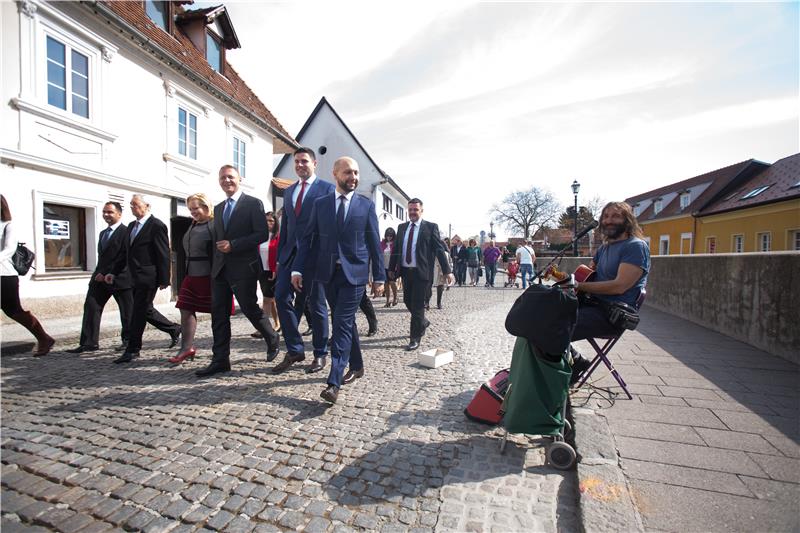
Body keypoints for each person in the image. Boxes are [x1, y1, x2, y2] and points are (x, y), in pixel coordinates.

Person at [292, 157, 385, 404]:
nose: (353, 177)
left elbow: (374, 243)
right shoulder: (320, 204)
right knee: (346, 323)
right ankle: (357, 365)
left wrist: (379, 276)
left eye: (356, 173)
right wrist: (297, 269)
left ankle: (333, 383)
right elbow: (307, 239)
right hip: (327, 274)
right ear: (335, 174)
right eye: (348, 173)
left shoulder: (365, 205)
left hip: (355, 275)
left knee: (342, 323)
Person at [195, 165, 280, 378]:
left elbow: (261, 234)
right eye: (223, 177)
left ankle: (271, 336)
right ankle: (220, 360)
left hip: (244, 268)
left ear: (239, 179)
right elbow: (216, 240)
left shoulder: (253, 204)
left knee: (250, 308)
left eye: (230, 177)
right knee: (219, 316)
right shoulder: (219, 208)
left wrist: (234, 244)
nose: (227, 181)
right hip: (220, 270)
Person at [569, 202, 650, 380]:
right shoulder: (603, 249)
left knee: (551, 328)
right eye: (605, 216)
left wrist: (577, 285)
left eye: (615, 216)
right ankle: (575, 361)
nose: (609, 220)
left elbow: (619, 285)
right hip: (592, 306)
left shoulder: (635, 247)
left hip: (611, 314)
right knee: (542, 317)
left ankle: (568, 370)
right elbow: (589, 275)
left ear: (627, 220)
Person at [273, 148, 335, 375]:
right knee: (281, 297)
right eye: (296, 162)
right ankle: (295, 349)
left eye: (304, 161)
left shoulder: (327, 189)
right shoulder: (289, 192)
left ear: (314, 163)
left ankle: (320, 354)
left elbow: (330, 227)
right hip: (290, 256)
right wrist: (280, 259)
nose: (300, 165)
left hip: (315, 256)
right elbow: (286, 227)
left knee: (316, 305)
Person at [108, 195, 181, 363]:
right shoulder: (132, 227)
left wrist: (165, 279)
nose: (133, 207)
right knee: (145, 310)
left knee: (137, 312)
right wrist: (114, 271)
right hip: (132, 276)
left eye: (136, 204)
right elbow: (124, 253)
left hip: (149, 277)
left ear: (147, 206)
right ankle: (174, 328)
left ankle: (133, 349)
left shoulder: (156, 225)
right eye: (131, 205)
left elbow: (163, 253)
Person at [66, 201, 134, 354]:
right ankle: (88, 343)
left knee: (127, 312)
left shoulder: (126, 232)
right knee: (91, 306)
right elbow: (103, 257)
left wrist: (109, 273)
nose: (106, 215)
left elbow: (123, 256)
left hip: (120, 278)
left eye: (110, 212)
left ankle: (128, 341)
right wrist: (99, 274)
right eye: (104, 212)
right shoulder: (103, 233)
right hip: (99, 278)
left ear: (119, 214)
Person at [389, 198, 453, 351]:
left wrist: (447, 271)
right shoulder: (402, 227)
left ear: (421, 211)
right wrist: (392, 268)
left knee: (417, 306)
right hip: (405, 271)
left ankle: (414, 338)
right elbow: (397, 248)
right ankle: (422, 322)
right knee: (407, 301)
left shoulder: (430, 227)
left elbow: (439, 250)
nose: (412, 212)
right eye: (410, 210)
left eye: (415, 210)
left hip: (422, 273)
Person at [1, 195, 54, 356]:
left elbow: (9, 250)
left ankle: (44, 338)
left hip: (4, 276)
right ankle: (45, 338)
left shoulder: (8, 226)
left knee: (14, 311)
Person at [170, 193, 215, 365]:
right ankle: (186, 348)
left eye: (196, 208)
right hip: (191, 274)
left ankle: (219, 352)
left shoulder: (215, 225)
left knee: (217, 314)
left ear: (206, 206)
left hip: (208, 275)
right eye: (190, 209)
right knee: (185, 308)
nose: (193, 212)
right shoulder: (193, 224)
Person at [251, 211, 281, 337]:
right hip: (262, 271)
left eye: (271, 221)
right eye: (266, 220)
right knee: (271, 299)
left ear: (275, 223)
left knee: (268, 299)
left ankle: (264, 329)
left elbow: (280, 255)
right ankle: (277, 323)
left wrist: (275, 269)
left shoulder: (278, 236)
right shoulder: (260, 236)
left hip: (274, 271)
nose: (268, 223)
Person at [426, 237, 452, 310]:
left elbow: (449, 262)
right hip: (431, 270)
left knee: (440, 287)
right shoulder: (429, 249)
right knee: (428, 287)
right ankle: (426, 302)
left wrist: (448, 272)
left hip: (441, 271)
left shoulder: (445, 251)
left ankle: (439, 303)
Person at [380, 228, 398, 307]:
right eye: (388, 235)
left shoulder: (395, 243)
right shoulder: (382, 243)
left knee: (392, 282)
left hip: (392, 267)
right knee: (386, 284)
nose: (389, 237)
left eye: (391, 236)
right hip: (384, 266)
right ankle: (387, 301)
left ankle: (395, 298)